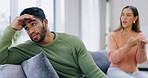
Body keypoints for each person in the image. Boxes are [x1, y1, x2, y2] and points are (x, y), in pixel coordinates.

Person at [0, 7, 107, 78]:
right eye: (26, 28)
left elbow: (94, 74)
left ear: (45, 22)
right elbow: (1, 58)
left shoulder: (73, 42)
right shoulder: (27, 49)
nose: (30, 31)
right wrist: (11, 28)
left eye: (33, 24)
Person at [107, 5, 148, 78]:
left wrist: (142, 48)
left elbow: (140, 61)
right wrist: (128, 46)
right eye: (122, 15)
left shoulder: (140, 35)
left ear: (135, 18)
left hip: (134, 71)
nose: (124, 17)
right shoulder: (112, 35)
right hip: (115, 70)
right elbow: (113, 58)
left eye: (128, 15)